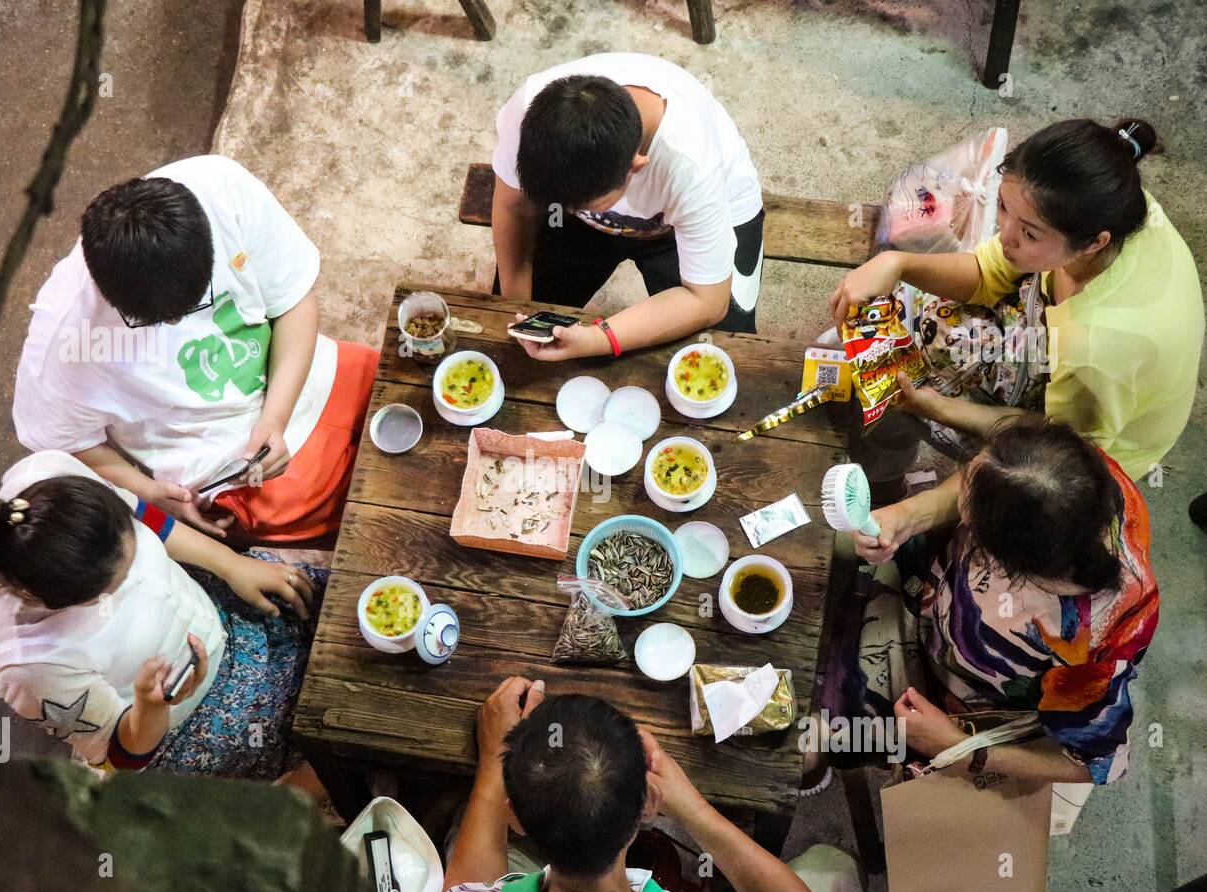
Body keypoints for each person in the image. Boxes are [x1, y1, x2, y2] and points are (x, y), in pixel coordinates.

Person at [12, 154, 379, 543]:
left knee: (401, 390)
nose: (177, 325)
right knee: (368, 520)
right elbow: (64, 443)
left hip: (306, 374)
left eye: (197, 306)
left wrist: (274, 418)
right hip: (234, 466)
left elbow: (293, 303)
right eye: (157, 321)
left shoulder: (220, 190)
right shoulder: (64, 350)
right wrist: (150, 493)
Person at [831, 118, 1203, 488]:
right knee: (908, 317)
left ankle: (881, 490)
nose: (1005, 237)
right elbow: (989, 270)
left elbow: (1058, 442)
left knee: (892, 397)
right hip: (1072, 359)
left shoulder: (1098, 346)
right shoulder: (1115, 206)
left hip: (1087, 444)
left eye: (1028, 232)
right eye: (1003, 207)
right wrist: (896, 263)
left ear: (1094, 243)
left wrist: (939, 408)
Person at [816, 415, 1158, 787]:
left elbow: (1102, 763)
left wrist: (962, 748)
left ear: (1005, 562)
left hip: (939, 699)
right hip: (925, 590)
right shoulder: (1077, 475)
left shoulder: (1093, 650)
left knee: (812, 738)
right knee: (816, 551)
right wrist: (909, 515)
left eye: (970, 512)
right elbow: (978, 476)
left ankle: (820, 762)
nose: (960, 507)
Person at [0, 450, 328, 789]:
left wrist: (231, 565)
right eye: (121, 583)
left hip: (215, 604)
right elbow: (121, 754)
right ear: (60, 602)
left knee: (329, 602)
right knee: (320, 737)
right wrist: (151, 707)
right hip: (188, 719)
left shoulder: (52, 480)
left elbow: (144, 515)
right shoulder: (27, 665)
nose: (141, 572)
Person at [420, 679, 867, 892]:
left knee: (464, 828)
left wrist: (492, 767)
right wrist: (691, 807)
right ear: (649, 807)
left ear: (513, 818)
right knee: (833, 868)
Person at [492, 53, 765, 361]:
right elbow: (515, 207)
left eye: (580, 205)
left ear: (636, 167)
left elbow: (707, 301)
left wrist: (599, 339)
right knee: (512, 331)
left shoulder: (691, 166)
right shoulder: (526, 112)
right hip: (581, 216)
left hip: (676, 227)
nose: (564, 209)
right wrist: (517, 307)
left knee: (722, 350)